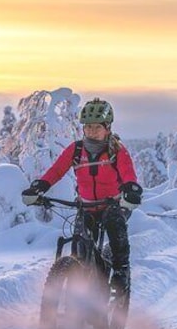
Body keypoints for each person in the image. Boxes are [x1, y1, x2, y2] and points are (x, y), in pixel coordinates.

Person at [21, 97, 143, 295]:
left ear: (107, 128)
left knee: (115, 227)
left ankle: (121, 273)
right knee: (80, 246)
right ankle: (80, 288)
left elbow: (128, 173)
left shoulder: (117, 151)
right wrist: (38, 188)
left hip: (113, 204)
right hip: (86, 206)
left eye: (97, 127)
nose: (92, 132)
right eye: (88, 127)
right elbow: (56, 171)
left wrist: (131, 190)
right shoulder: (76, 150)